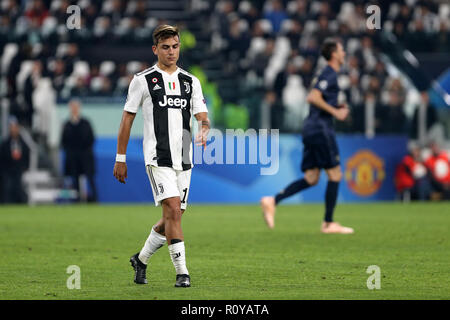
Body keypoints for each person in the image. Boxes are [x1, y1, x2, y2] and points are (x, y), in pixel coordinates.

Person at [113, 25, 210, 288]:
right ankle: (182, 273)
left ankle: (141, 259)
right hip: (158, 158)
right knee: (173, 211)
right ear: (155, 49)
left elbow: (202, 114)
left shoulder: (191, 81)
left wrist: (203, 128)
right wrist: (120, 157)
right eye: (165, 47)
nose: (171, 52)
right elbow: (127, 119)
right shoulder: (142, 80)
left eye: (175, 46)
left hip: (184, 159)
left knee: (172, 216)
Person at [260, 38, 354, 234]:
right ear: (334, 54)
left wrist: (335, 109)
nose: (344, 53)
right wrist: (336, 113)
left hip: (311, 128)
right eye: (341, 49)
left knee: (311, 178)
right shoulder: (330, 73)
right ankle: (328, 223)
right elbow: (313, 96)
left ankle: (272, 200)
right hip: (321, 129)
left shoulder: (325, 74)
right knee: (335, 174)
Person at [61, 99, 97, 202]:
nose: (74, 110)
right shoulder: (67, 124)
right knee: (75, 179)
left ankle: (94, 199)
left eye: (76, 107)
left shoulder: (86, 123)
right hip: (73, 158)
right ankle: (76, 200)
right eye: (72, 107)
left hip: (85, 157)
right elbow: (64, 141)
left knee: (90, 179)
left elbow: (90, 139)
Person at [0, 116, 29, 203]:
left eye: (15, 127)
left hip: (19, 171)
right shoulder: (5, 144)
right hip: (8, 172)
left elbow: (26, 156)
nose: (13, 129)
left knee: (19, 189)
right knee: (7, 188)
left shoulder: (23, 143)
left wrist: (24, 167)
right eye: (11, 127)